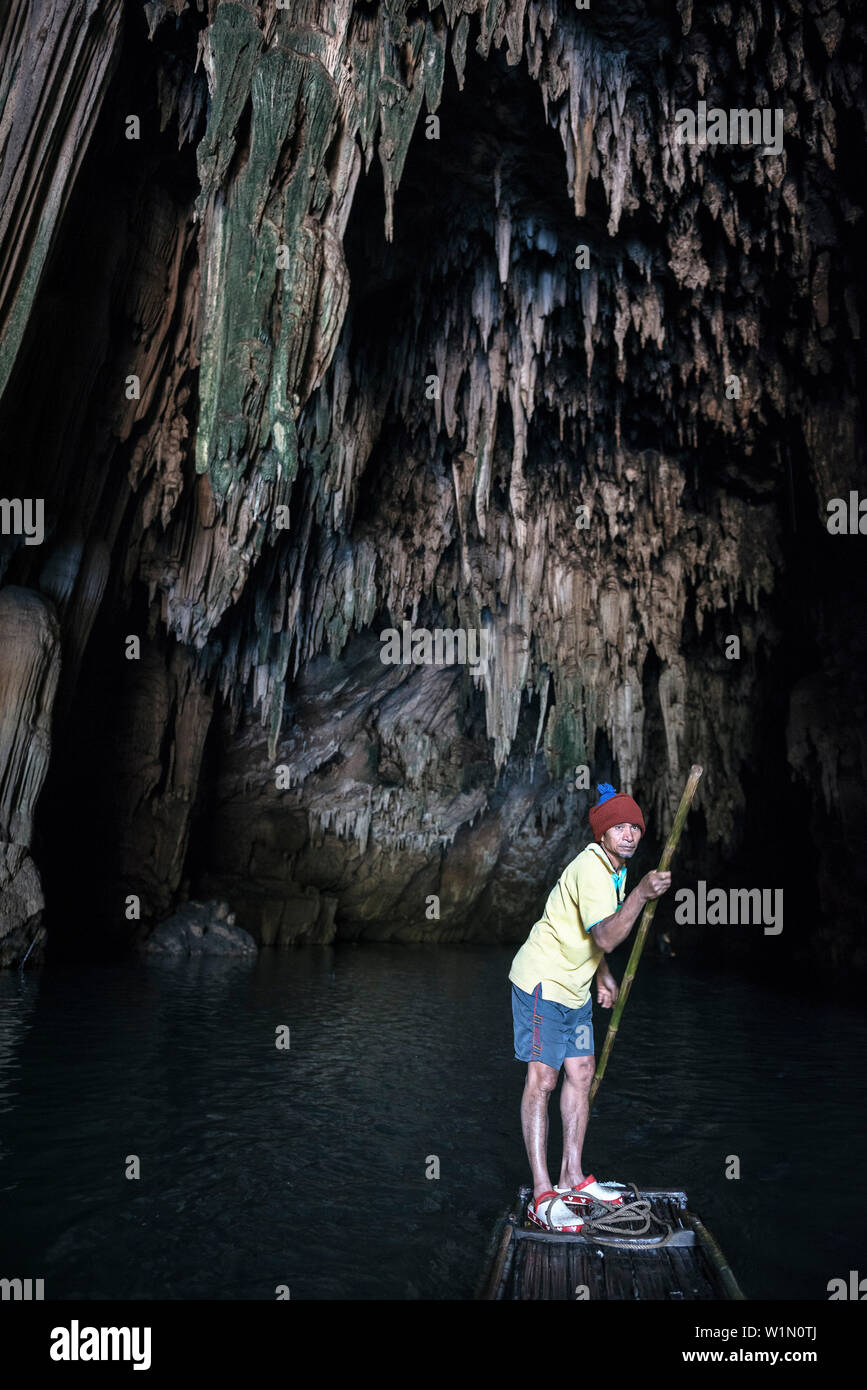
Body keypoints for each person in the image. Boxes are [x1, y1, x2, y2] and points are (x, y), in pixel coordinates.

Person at [509, 782, 672, 1232]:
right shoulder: (593, 868)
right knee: (543, 1078)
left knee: (580, 1073)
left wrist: (601, 975)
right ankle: (542, 1194)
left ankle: (572, 1177)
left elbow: (583, 932)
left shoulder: (613, 871)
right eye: (619, 827)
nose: (629, 834)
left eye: (634, 826)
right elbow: (603, 936)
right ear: (602, 834)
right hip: (542, 984)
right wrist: (639, 894)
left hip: (575, 990)